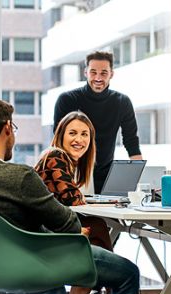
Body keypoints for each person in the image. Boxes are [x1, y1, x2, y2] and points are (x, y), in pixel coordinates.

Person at [0, 98, 140, 294]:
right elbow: (67, 223)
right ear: (8, 128)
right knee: (128, 273)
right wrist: (76, 229)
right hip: (34, 261)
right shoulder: (19, 176)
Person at [35, 111, 113, 294]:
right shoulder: (55, 155)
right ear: (61, 135)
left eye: (85, 134)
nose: (79, 139)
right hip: (43, 232)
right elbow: (71, 198)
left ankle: (107, 289)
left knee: (93, 246)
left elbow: (69, 197)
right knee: (97, 227)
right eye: (73, 133)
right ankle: (113, 288)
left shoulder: (63, 159)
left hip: (45, 228)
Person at [53, 51, 142, 194]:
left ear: (111, 74)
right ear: (85, 72)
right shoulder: (67, 99)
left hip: (106, 175)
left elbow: (131, 141)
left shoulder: (122, 102)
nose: (98, 78)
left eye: (104, 73)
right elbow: (58, 140)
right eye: (93, 72)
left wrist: (139, 179)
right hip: (74, 172)